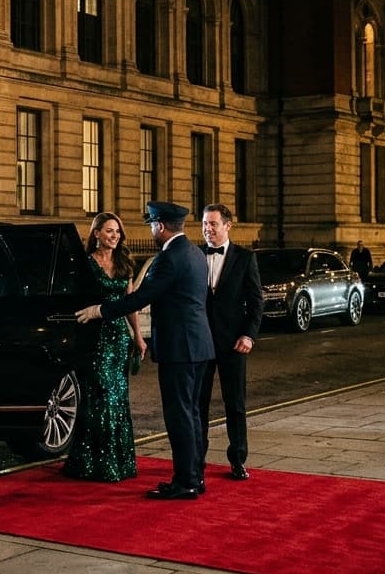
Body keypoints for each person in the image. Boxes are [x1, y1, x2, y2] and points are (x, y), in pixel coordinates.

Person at [76, 201, 214, 500]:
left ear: (160, 226)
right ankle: (195, 476)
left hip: (179, 349)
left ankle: (185, 482)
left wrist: (100, 311)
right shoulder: (195, 253)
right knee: (192, 414)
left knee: (179, 416)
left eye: (152, 225)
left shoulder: (168, 259)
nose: (151, 230)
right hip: (200, 345)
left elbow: (139, 298)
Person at [63, 212, 147, 483]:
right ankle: (92, 463)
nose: (115, 236)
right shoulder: (85, 264)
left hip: (119, 338)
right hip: (95, 338)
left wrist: (137, 336)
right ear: (96, 233)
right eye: (109, 231)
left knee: (118, 398)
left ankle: (118, 463)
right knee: (99, 396)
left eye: (118, 232)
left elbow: (130, 303)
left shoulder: (124, 264)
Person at [200, 204, 263, 482]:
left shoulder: (245, 258)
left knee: (235, 404)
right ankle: (196, 458)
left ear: (228, 226)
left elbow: (256, 302)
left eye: (213, 224)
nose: (207, 229)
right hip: (200, 342)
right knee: (197, 404)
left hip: (233, 343)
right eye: (204, 223)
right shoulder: (195, 256)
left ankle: (237, 460)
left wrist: (248, 335)